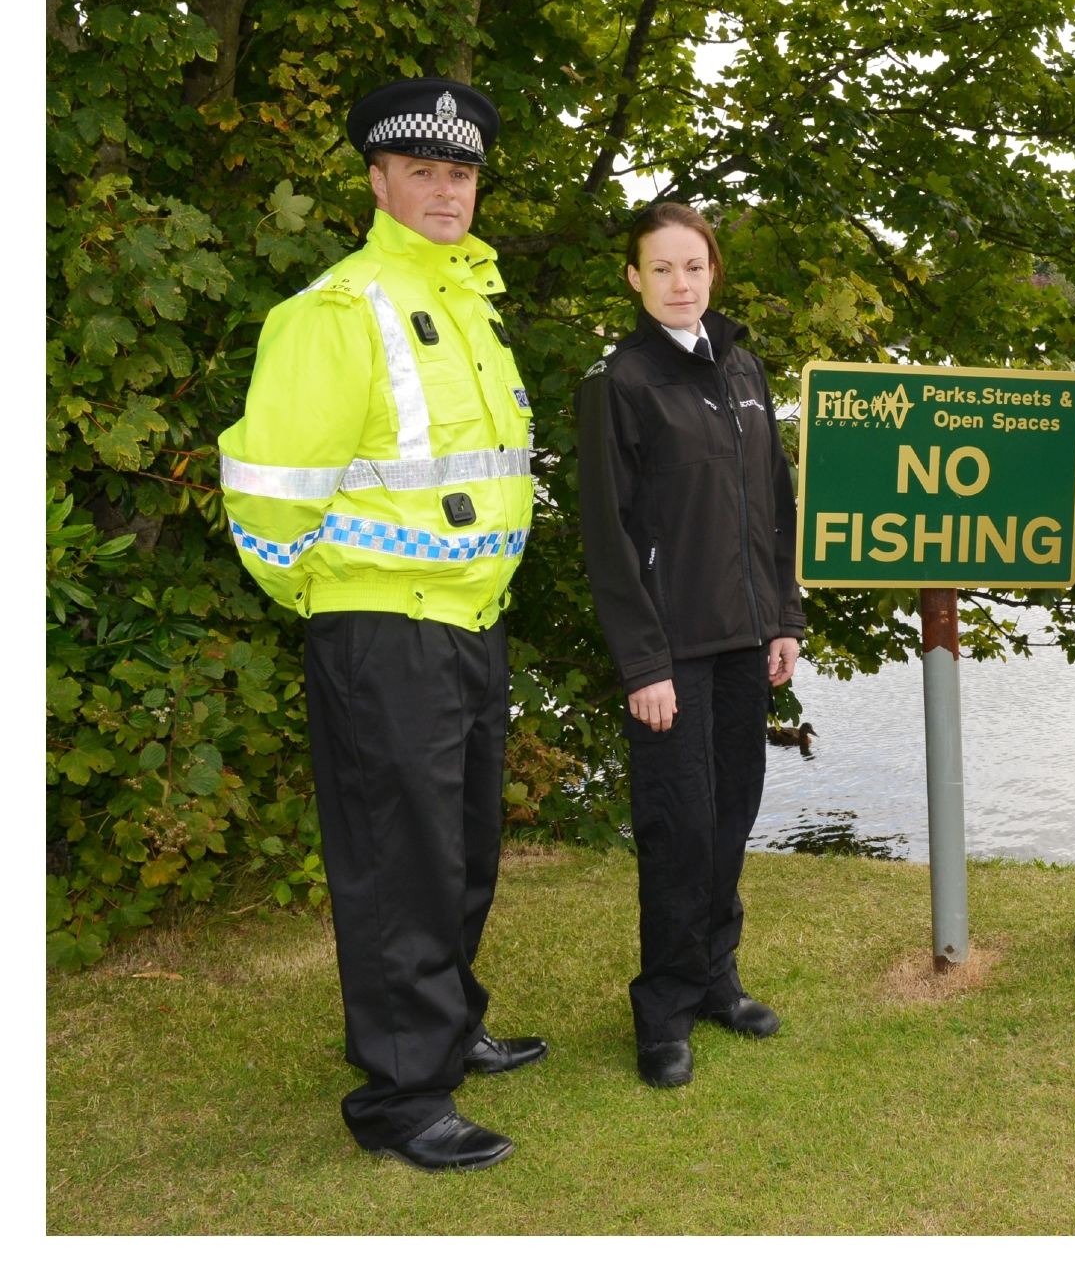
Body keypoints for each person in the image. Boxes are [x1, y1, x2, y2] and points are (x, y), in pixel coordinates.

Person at [218, 77, 547, 1172]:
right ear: (377, 179)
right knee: (397, 862)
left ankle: (449, 1026)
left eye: (460, 173)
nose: (445, 189)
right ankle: (403, 1098)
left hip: (468, 626)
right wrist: (327, 599)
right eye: (422, 170)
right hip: (380, 633)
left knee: (460, 854)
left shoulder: (468, 304)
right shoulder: (336, 310)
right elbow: (269, 501)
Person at [575, 203, 808, 1088]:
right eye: (662, 269)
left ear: (714, 271)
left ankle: (717, 977)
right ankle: (664, 1006)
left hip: (746, 639)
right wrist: (643, 663)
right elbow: (608, 535)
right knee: (676, 828)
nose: (681, 283)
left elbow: (774, 504)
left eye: (695, 266)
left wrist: (783, 619)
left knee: (730, 812)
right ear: (635, 279)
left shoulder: (742, 366)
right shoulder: (620, 381)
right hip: (670, 652)